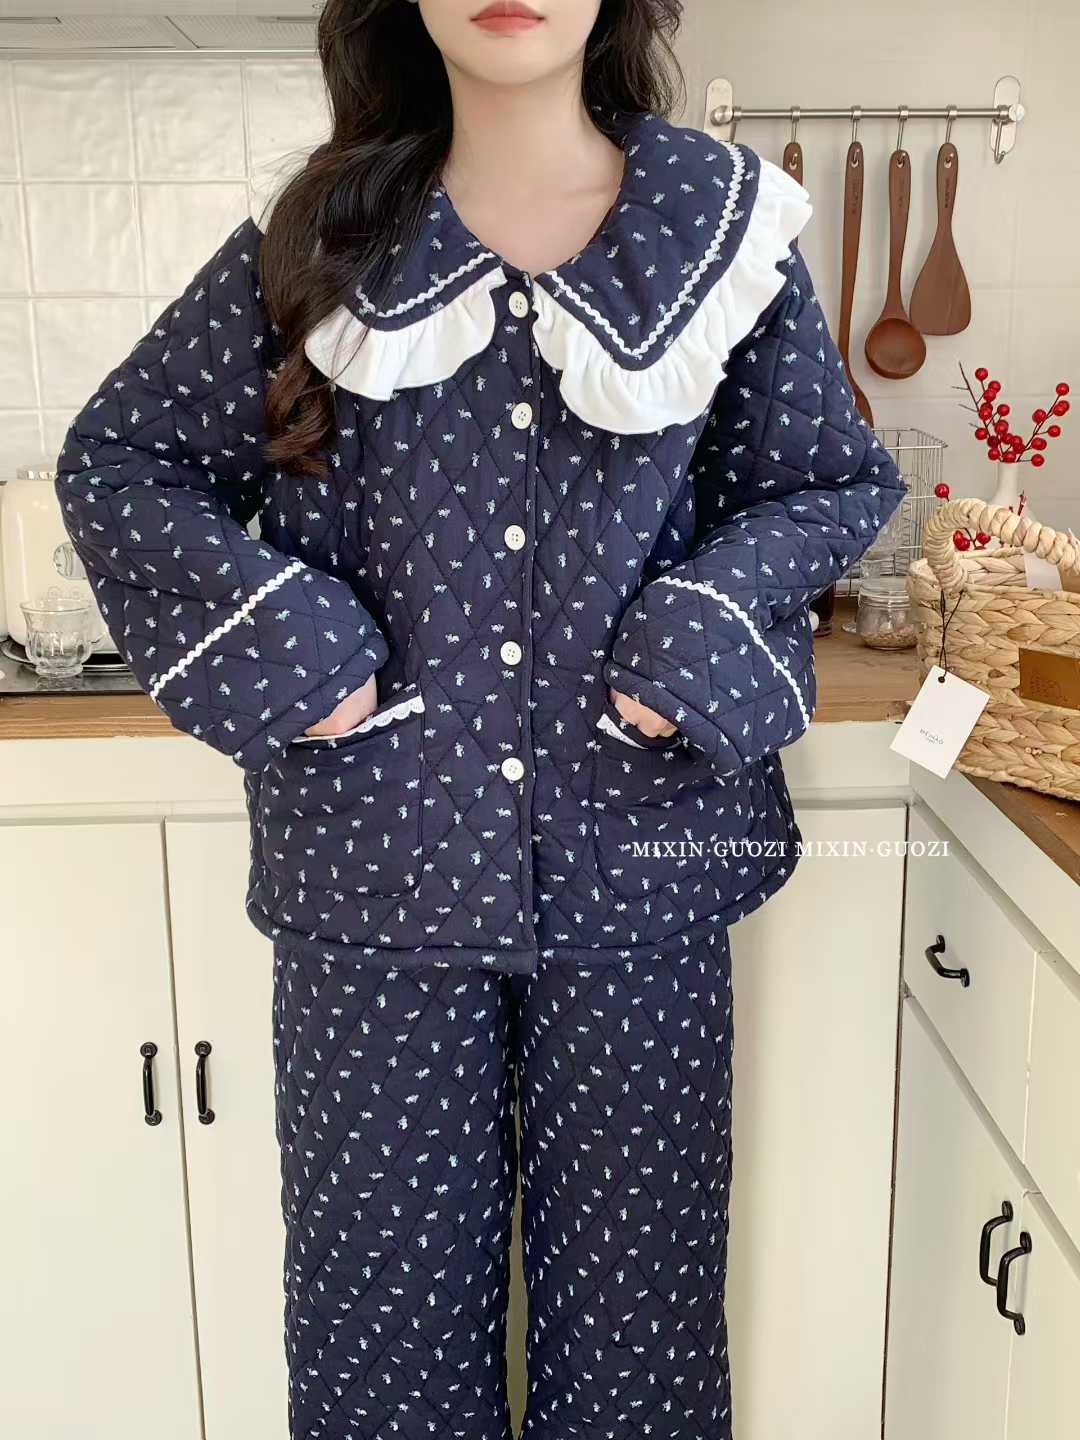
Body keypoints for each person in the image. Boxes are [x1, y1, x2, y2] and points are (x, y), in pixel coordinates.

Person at [54, 2, 905, 1435]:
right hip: (374, 878)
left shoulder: (717, 231)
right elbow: (126, 462)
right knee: (377, 1331)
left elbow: (823, 481)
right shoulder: (322, 235)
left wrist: (700, 625)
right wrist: (301, 647)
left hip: (643, 874)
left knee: (640, 1333)